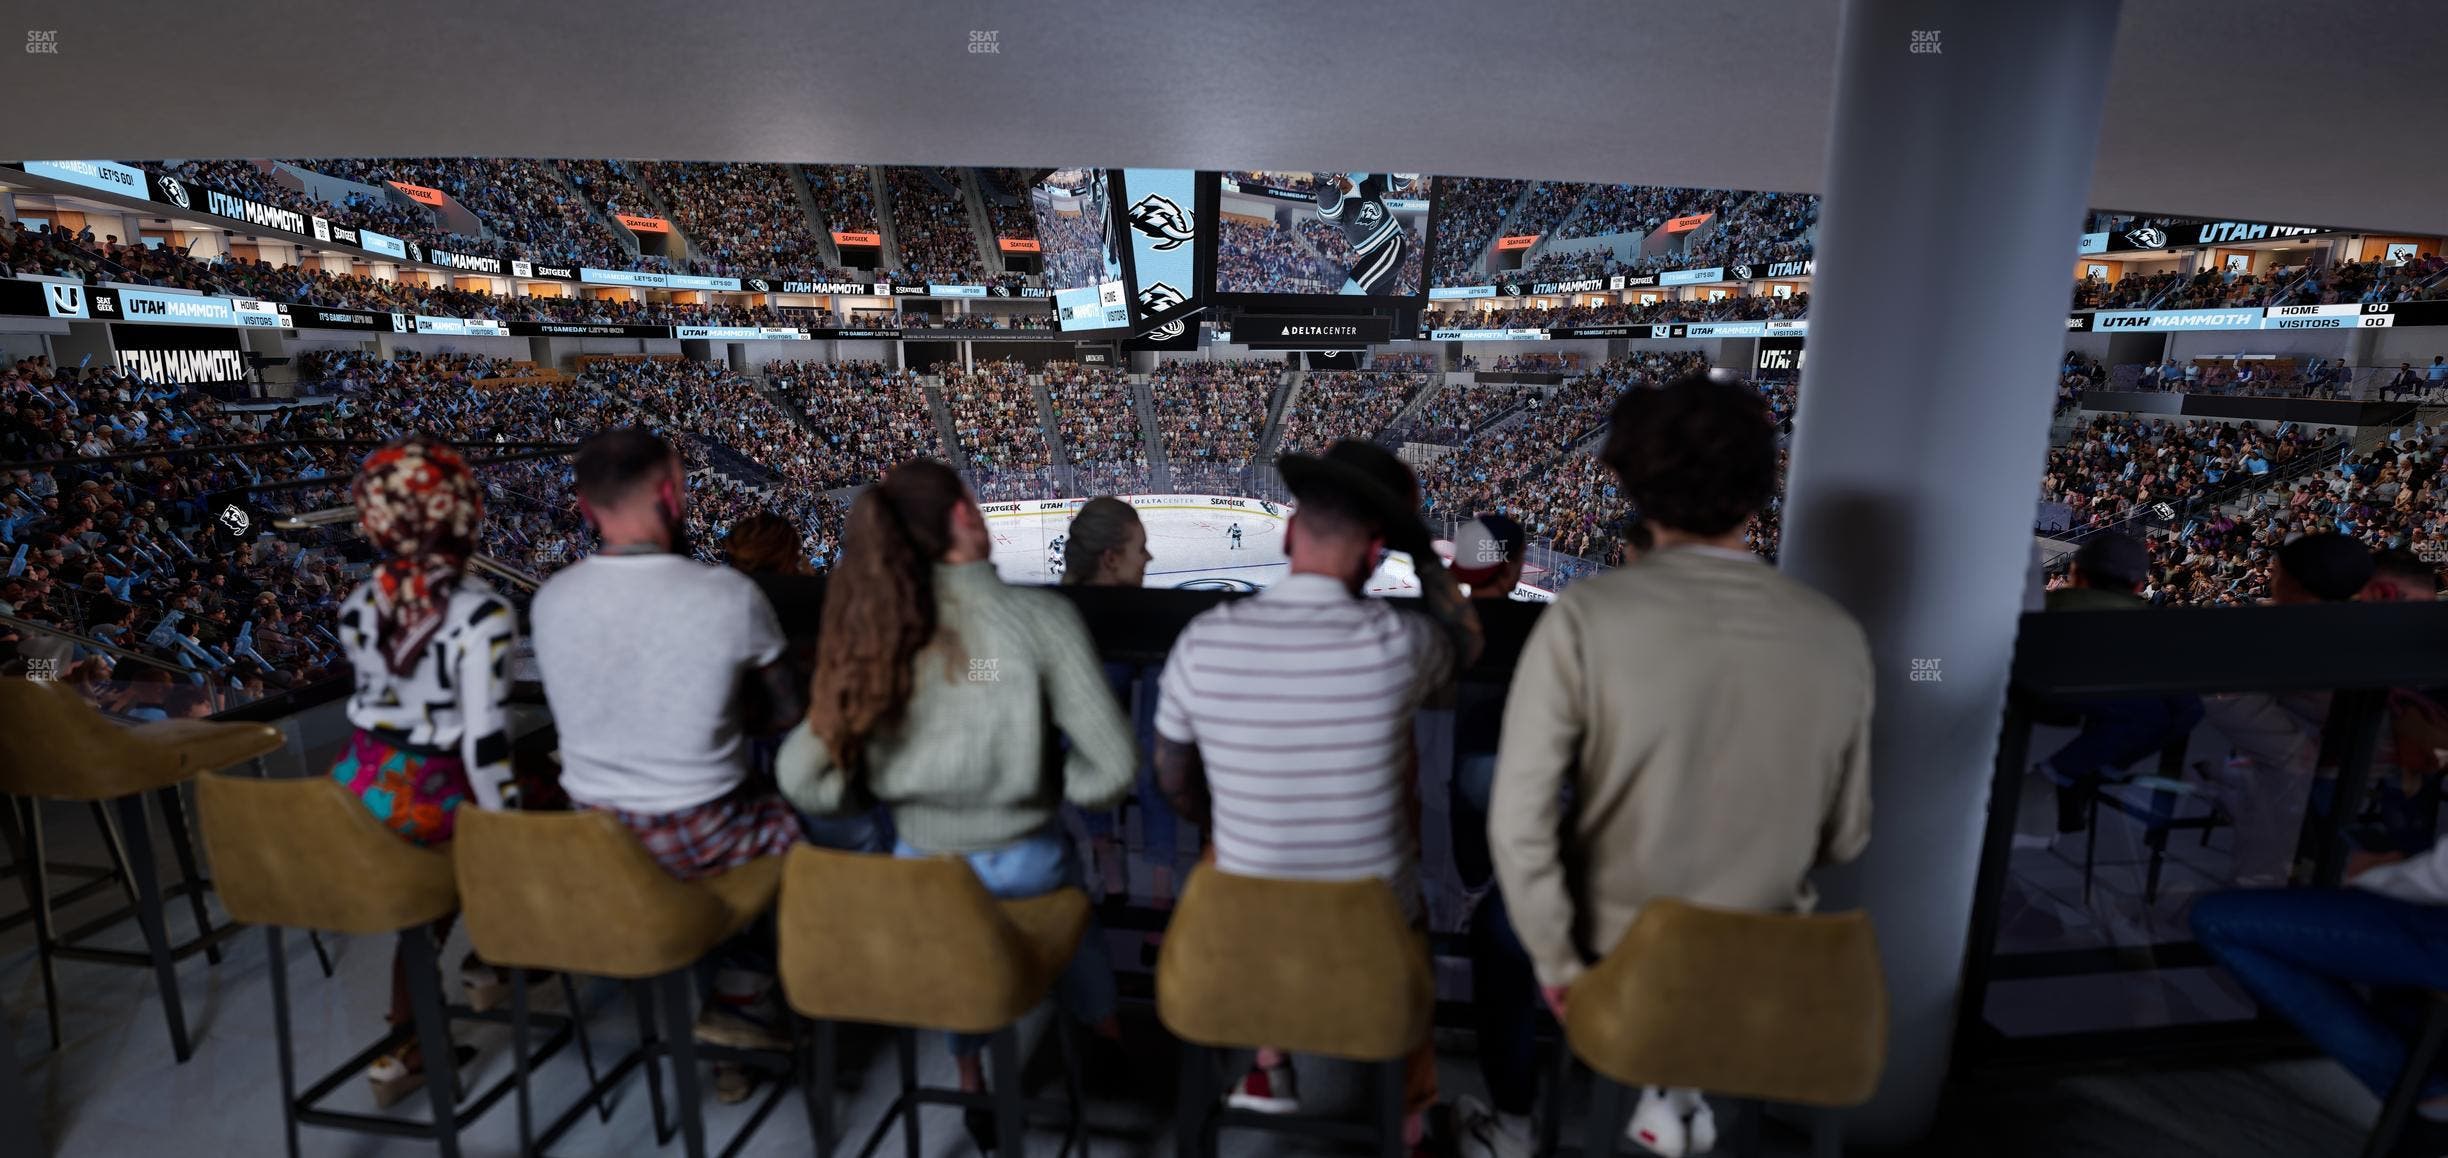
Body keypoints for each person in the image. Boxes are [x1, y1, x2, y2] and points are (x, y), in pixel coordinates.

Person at [1487, 373, 1874, 1158]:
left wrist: (1558, 964)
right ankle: (1679, 1089)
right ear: (1760, 492)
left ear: (1634, 488)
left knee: (1501, 929)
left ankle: (1519, 1122)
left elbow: (1517, 824)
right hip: (1772, 965)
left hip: (1625, 963)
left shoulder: (1586, 619)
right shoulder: (1835, 634)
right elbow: (1845, 837)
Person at [775, 459, 1136, 1150]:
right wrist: (1043, 782)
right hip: (1028, 859)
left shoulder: (877, 630)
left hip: (921, 869)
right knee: (1072, 901)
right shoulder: (1038, 621)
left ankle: (969, 1076)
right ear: (966, 517)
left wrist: (870, 788)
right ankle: (1106, 1032)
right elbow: (1113, 768)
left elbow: (802, 776)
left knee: (957, 943)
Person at [1152, 438, 1481, 1155]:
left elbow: (1173, 782)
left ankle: (1267, 1061)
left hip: (1237, 935)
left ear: (1289, 534)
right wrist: (1423, 553)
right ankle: (1410, 1117)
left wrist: (1235, 824)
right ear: (1377, 553)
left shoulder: (1203, 641)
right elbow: (1467, 639)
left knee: (1231, 844)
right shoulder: (1401, 645)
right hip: (1369, 942)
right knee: (1404, 882)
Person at [530, 429, 833, 1067]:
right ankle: (742, 995)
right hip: (700, 831)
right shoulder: (726, 595)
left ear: (585, 508)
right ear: (673, 495)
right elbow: (785, 714)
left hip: (587, 839)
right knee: (800, 821)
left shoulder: (550, 600)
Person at [329, 436, 515, 1106]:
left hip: (352, 794)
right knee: (540, 799)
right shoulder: (481, 612)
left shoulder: (358, 603)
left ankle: (404, 1043)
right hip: (428, 797)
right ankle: (497, 958)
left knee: (423, 895)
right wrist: (516, 834)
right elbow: (484, 748)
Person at [1440, 513, 1548, 1157]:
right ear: (1512, 568)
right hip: (1516, 860)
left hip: (1458, 852)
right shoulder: (1545, 636)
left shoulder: (1438, 633)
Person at [2200, 532, 2377, 888]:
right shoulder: (2370, 628)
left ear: (2292, 583)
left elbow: (2230, 706)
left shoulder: (2279, 634)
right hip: (2347, 773)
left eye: (2275, 572)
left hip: (2301, 778)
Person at [2016, 533, 2205, 845]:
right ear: (2138, 586)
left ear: (2076, 573)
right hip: (2088, 697)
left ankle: (2068, 776)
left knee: (2156, 711)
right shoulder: (2148, 622)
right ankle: (2072, 774)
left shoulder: (2051, 603)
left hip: (2042, 691)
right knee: (2175, 709)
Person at [1319, 173, 1411, 296]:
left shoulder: (1363, 177)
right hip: (1375, 255)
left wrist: (1404, 174)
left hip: (1390, 246)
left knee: (1349, 294)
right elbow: (1329, 210)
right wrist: (1324, 183)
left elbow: (1396, 182)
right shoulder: (1339, 207)